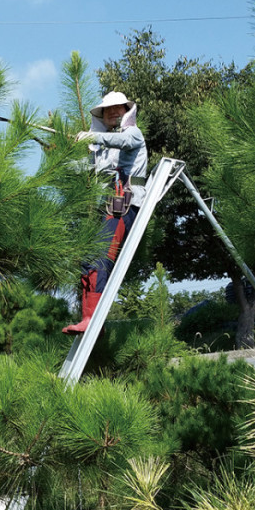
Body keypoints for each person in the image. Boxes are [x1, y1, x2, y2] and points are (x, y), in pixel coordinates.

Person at [62, 90, 148, 334]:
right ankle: (88, 317)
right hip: (108, 205)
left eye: (117, 108)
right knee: (88, 260)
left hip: (124, 204)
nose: (112, 112)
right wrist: (59, 156)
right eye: (107, 110)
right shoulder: (102, 148)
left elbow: (124, 142)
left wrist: (92, 136)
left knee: (102, 256)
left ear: (126, 111)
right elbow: (84, 169)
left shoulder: (132, 133)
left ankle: (94, 319)